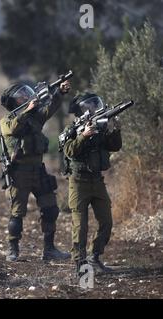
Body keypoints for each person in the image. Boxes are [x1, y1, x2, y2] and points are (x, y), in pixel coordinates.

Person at [0, 79, 71, 261]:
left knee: (51, 208)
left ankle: (49, 249)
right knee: (17, 212)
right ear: (15, 102)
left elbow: (50, 109)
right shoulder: (7, 120)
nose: (26, 95)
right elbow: (15, 129)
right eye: (21, 95)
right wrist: (28, 110)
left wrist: (59, 93)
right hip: (19, 172)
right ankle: (13, 249)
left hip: (38, 170)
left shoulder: (35, 117)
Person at [62, 93, 122, 274]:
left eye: (95, 104)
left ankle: (95, 256)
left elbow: (114, 146)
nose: (94, 108)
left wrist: (115, 129)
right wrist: (83, 136)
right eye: (90, 106)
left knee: (106, 221)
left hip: (97, 181)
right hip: (78, 182)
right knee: (80, 226)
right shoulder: (72, 129)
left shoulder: (100, 127)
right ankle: (80, 263)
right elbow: (68, 150)